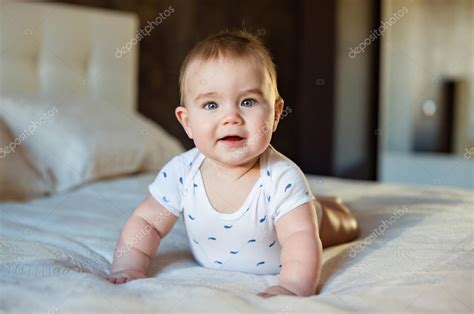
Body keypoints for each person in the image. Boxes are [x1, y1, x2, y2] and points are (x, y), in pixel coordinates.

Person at [107, 30, 359, 297]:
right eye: (211, 105)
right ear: (187, 122)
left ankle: (328, 207)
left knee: (339, 223)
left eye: (247, 102)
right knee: (304, 211)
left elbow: (299, 239)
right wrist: (129, 266)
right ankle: (316, 204)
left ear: (275, 114)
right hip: (286, 211)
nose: (231, 117)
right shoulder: (181, 173)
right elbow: (147, 223)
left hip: (310, 221)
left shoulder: (282, 177)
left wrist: (293, 286)